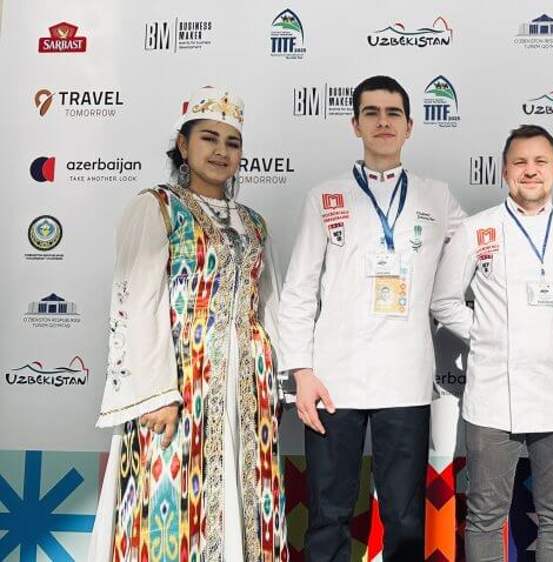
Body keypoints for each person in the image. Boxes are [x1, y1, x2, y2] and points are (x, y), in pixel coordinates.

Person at [89, 86, 288, 561]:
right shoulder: (157, 207)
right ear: (183, 145)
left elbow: (270, 302)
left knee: (248, 493)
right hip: (180, 381)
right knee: (172, 496)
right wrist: (157, 393)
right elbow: (138, 303)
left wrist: (276, 380)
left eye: (232, 142)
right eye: (208, 138)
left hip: (247, 386)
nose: (221, 151)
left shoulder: (253, 222)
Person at [278, 75, 466, 561]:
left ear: (410, 127)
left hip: (405, 381)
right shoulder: (326, 197)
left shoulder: (437, 197)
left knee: (405, 519)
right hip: (333, 382)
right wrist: (301, 373)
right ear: (355, 125)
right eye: (372, 113)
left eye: (393, 113)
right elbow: (298, 290)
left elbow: (488, 245)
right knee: (328, 513)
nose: (383, 122)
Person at [431, 125, 553, 562]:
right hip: (493, 396)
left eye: (540, 162)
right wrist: (488, 335)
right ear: (505, 170)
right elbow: (445, 301)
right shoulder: (477, 230)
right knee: (485, 517)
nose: (530, 171)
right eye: (520, 162)